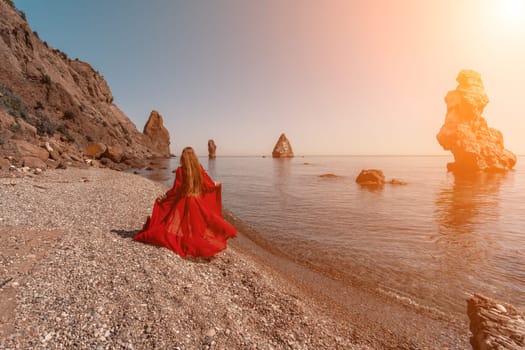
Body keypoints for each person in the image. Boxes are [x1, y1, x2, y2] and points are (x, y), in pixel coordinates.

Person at [134, 147, 236, 258]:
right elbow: (208, 184)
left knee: (180, 223)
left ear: (183, 158)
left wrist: (165, 196)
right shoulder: (199, 169)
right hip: (196, 202)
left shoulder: (180, 170)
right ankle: (197, 242)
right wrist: (216, 184)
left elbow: (176, 189)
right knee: (195, 225)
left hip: (183, 202)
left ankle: (187, 241)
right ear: (194, 157)